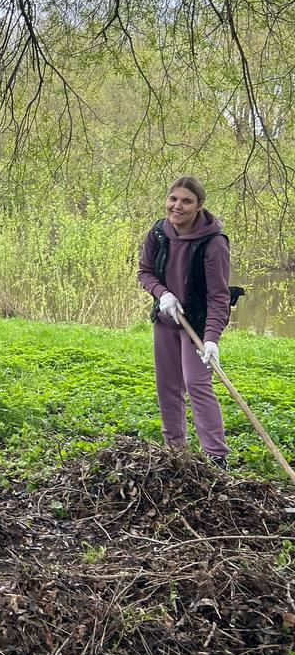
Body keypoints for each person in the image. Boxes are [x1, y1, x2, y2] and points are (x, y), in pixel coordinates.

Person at [137, 175, 231, 468]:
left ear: (199, 206)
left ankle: (216, 457)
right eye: (173, 199)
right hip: (166, 321)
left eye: (186, 201)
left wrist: (212, 339)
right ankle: (176, 452)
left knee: (196, 383)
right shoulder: (157, 233)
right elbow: (144, 272)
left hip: (198, 326)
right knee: (168, 385)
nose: (177, 206)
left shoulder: (213, 243)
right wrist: (162, 293)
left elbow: (219, 297)